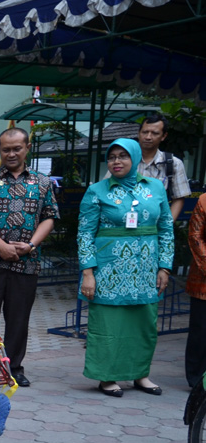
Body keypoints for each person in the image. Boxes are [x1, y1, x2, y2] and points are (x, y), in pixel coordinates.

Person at [77, 138, 174, 396]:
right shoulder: (97, 191)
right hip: (108, 272)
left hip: (146, 271)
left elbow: (166, 228)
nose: (116, 161)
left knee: (143, 325)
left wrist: (164, 267)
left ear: (134, 158)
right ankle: (106, 377)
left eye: (123, 156)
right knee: (108, 326)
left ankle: (140, 375)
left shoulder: (155, 188)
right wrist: (88, 273)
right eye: (112, 157)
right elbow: (85, 234)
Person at [0, 128, 59, 388]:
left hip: (27, 263)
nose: (11, 153)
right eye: (6, 149)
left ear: (27, 147)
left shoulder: (42, 182)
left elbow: (49, 218)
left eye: (16, 148)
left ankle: (13, 368)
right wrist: (1, 246)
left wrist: (31, 245)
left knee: (19, 318)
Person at [136, 112, 190, 221]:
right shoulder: (124, 160)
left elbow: (178, 198)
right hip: (123, 226)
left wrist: (167, 227)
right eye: (145, 132)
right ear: (139, 133)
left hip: (155, 226)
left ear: (163, 136)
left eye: (155, 133)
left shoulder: (173, 163)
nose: (148, 137)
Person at [184, 195, 206, 387]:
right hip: (203, 278)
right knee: (201, 330)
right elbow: (195, 236)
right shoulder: (204, 200)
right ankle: (196, 379)